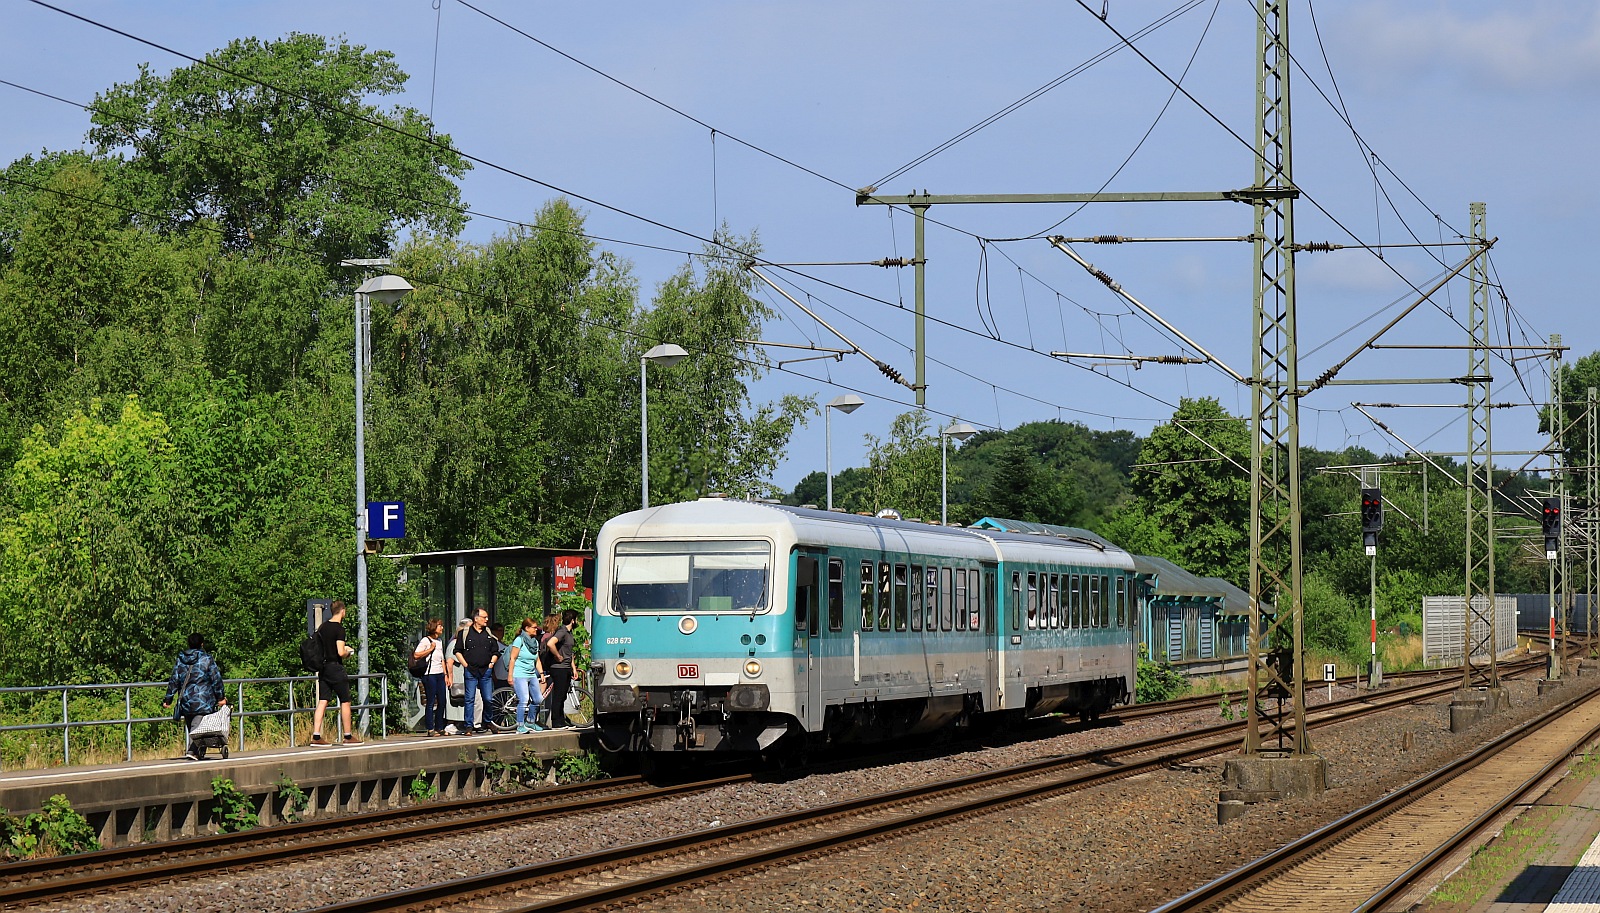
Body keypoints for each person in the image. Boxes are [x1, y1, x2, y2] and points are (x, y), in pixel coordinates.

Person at [162, 633, 224, 761]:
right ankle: (193, 751)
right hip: (203, 699)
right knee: (198, 727)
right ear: (202, 644)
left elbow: (174, 680)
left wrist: (168, 699)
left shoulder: (181, 660)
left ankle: (197, 749)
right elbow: (215, 679)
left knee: (193, 725)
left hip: (186, 699)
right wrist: (220, 697)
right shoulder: (207, 659)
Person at [310, 600, 363, 746]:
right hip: (335, 667)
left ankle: (316, 736)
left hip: (323, 668)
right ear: (343, 611)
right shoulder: (339, 629)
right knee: (345, 701)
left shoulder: (322, 627)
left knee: (323, 701)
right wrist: (348, 652)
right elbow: (340, 651)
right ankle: (347, 736)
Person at [453, 607, 501, 735]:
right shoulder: (465, 633)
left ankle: (488, 721)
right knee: (469, 698)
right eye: (484, 617)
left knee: (488, 698)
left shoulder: (488, 634)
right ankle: (468, 725)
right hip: (471, 670)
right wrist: (465, 664)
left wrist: (491, 663)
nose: (487, 620)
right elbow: (457, 651)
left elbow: (496, 651)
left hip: (485, 670)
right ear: (476, 619)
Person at [506, 617, 546, 734]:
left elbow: (537, 660)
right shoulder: (519, 640)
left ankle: (530, 722)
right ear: (527, 628)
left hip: (531, 674)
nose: (536, 630)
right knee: (524, 699)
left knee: (538, 699)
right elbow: (512, 658)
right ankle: (520, 726)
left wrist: (541, 673)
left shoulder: (535, 642)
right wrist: (510, 675)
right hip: (519, 674)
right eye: (534, 628)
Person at [544, 609, 580, 729]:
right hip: (559, 668)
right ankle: (556, 722)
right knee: (559, 695)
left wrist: (573, 668)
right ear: (573, 620)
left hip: (566, 668)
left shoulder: (569, 633)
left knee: (563, 695)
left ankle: (561, 720)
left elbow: (570, 653)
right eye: (577, 619)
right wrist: (558, 656)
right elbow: (550, 643)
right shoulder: (562, 631)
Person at [413, 618, 447, 737]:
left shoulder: (439, 641)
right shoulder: (426, 641)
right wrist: (430, 649)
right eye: (439, 626)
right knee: (431, 701)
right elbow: (416, 655)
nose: (442, 628)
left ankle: (439, 727)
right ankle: (430, 728)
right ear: (434, 627)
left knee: (442, 701)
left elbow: (442, 659)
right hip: (429, 674)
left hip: (439, 674)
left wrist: (445, 674)